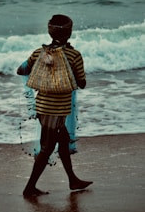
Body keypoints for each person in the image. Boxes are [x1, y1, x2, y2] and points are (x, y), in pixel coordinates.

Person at [17, 14, 93, 197]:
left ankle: (73, 180)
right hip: (58, 110)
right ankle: (29, 188)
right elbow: (81, 83)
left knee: (64, 142)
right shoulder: (74, 55)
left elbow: (21, 70)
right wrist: (64, 70)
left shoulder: (40, 52)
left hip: (42, 107)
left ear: (49, 31)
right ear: (70, 33)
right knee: (47, 148)